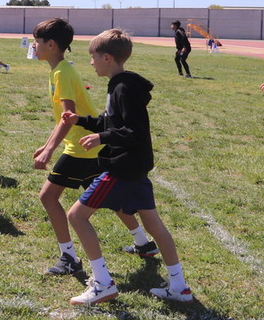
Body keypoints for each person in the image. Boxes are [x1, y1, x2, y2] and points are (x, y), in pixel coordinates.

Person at [62, 29, 193, 305]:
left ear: (107, 57)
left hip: (122, 169)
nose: (91, 63)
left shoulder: (122, 88)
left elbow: (133, 131)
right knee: (154, 225)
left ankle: (102, 284)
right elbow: (112, 123)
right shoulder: (121, 85)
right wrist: (82, 121)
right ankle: (179, 286)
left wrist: (102, 137)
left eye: (93, 57)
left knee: (76, 217)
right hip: (135, 168)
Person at [32, 19, 154, 278]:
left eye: (37, 41)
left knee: (48, 197)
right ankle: (143, 242)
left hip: (82, 146)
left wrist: (49, 149)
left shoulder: (63, 72)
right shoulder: (59, 70)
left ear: (51, 45)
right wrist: (49, 143)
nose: (34, 45)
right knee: (108, 196)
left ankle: (69, 258)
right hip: (88, 144)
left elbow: (69, 115)